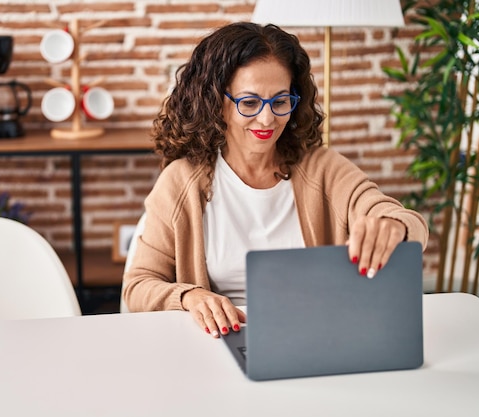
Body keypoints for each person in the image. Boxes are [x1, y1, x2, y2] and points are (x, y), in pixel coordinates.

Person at [122, 22, 428, 338]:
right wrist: (189, 297)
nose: (267, 119)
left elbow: (407, 222)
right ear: (216, 102)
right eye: (250, 103)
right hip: (222, 341)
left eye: (280, 101)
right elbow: (138, 285)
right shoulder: (181, 182)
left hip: (318, 336)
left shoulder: (323, 168)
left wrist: (395, 226)